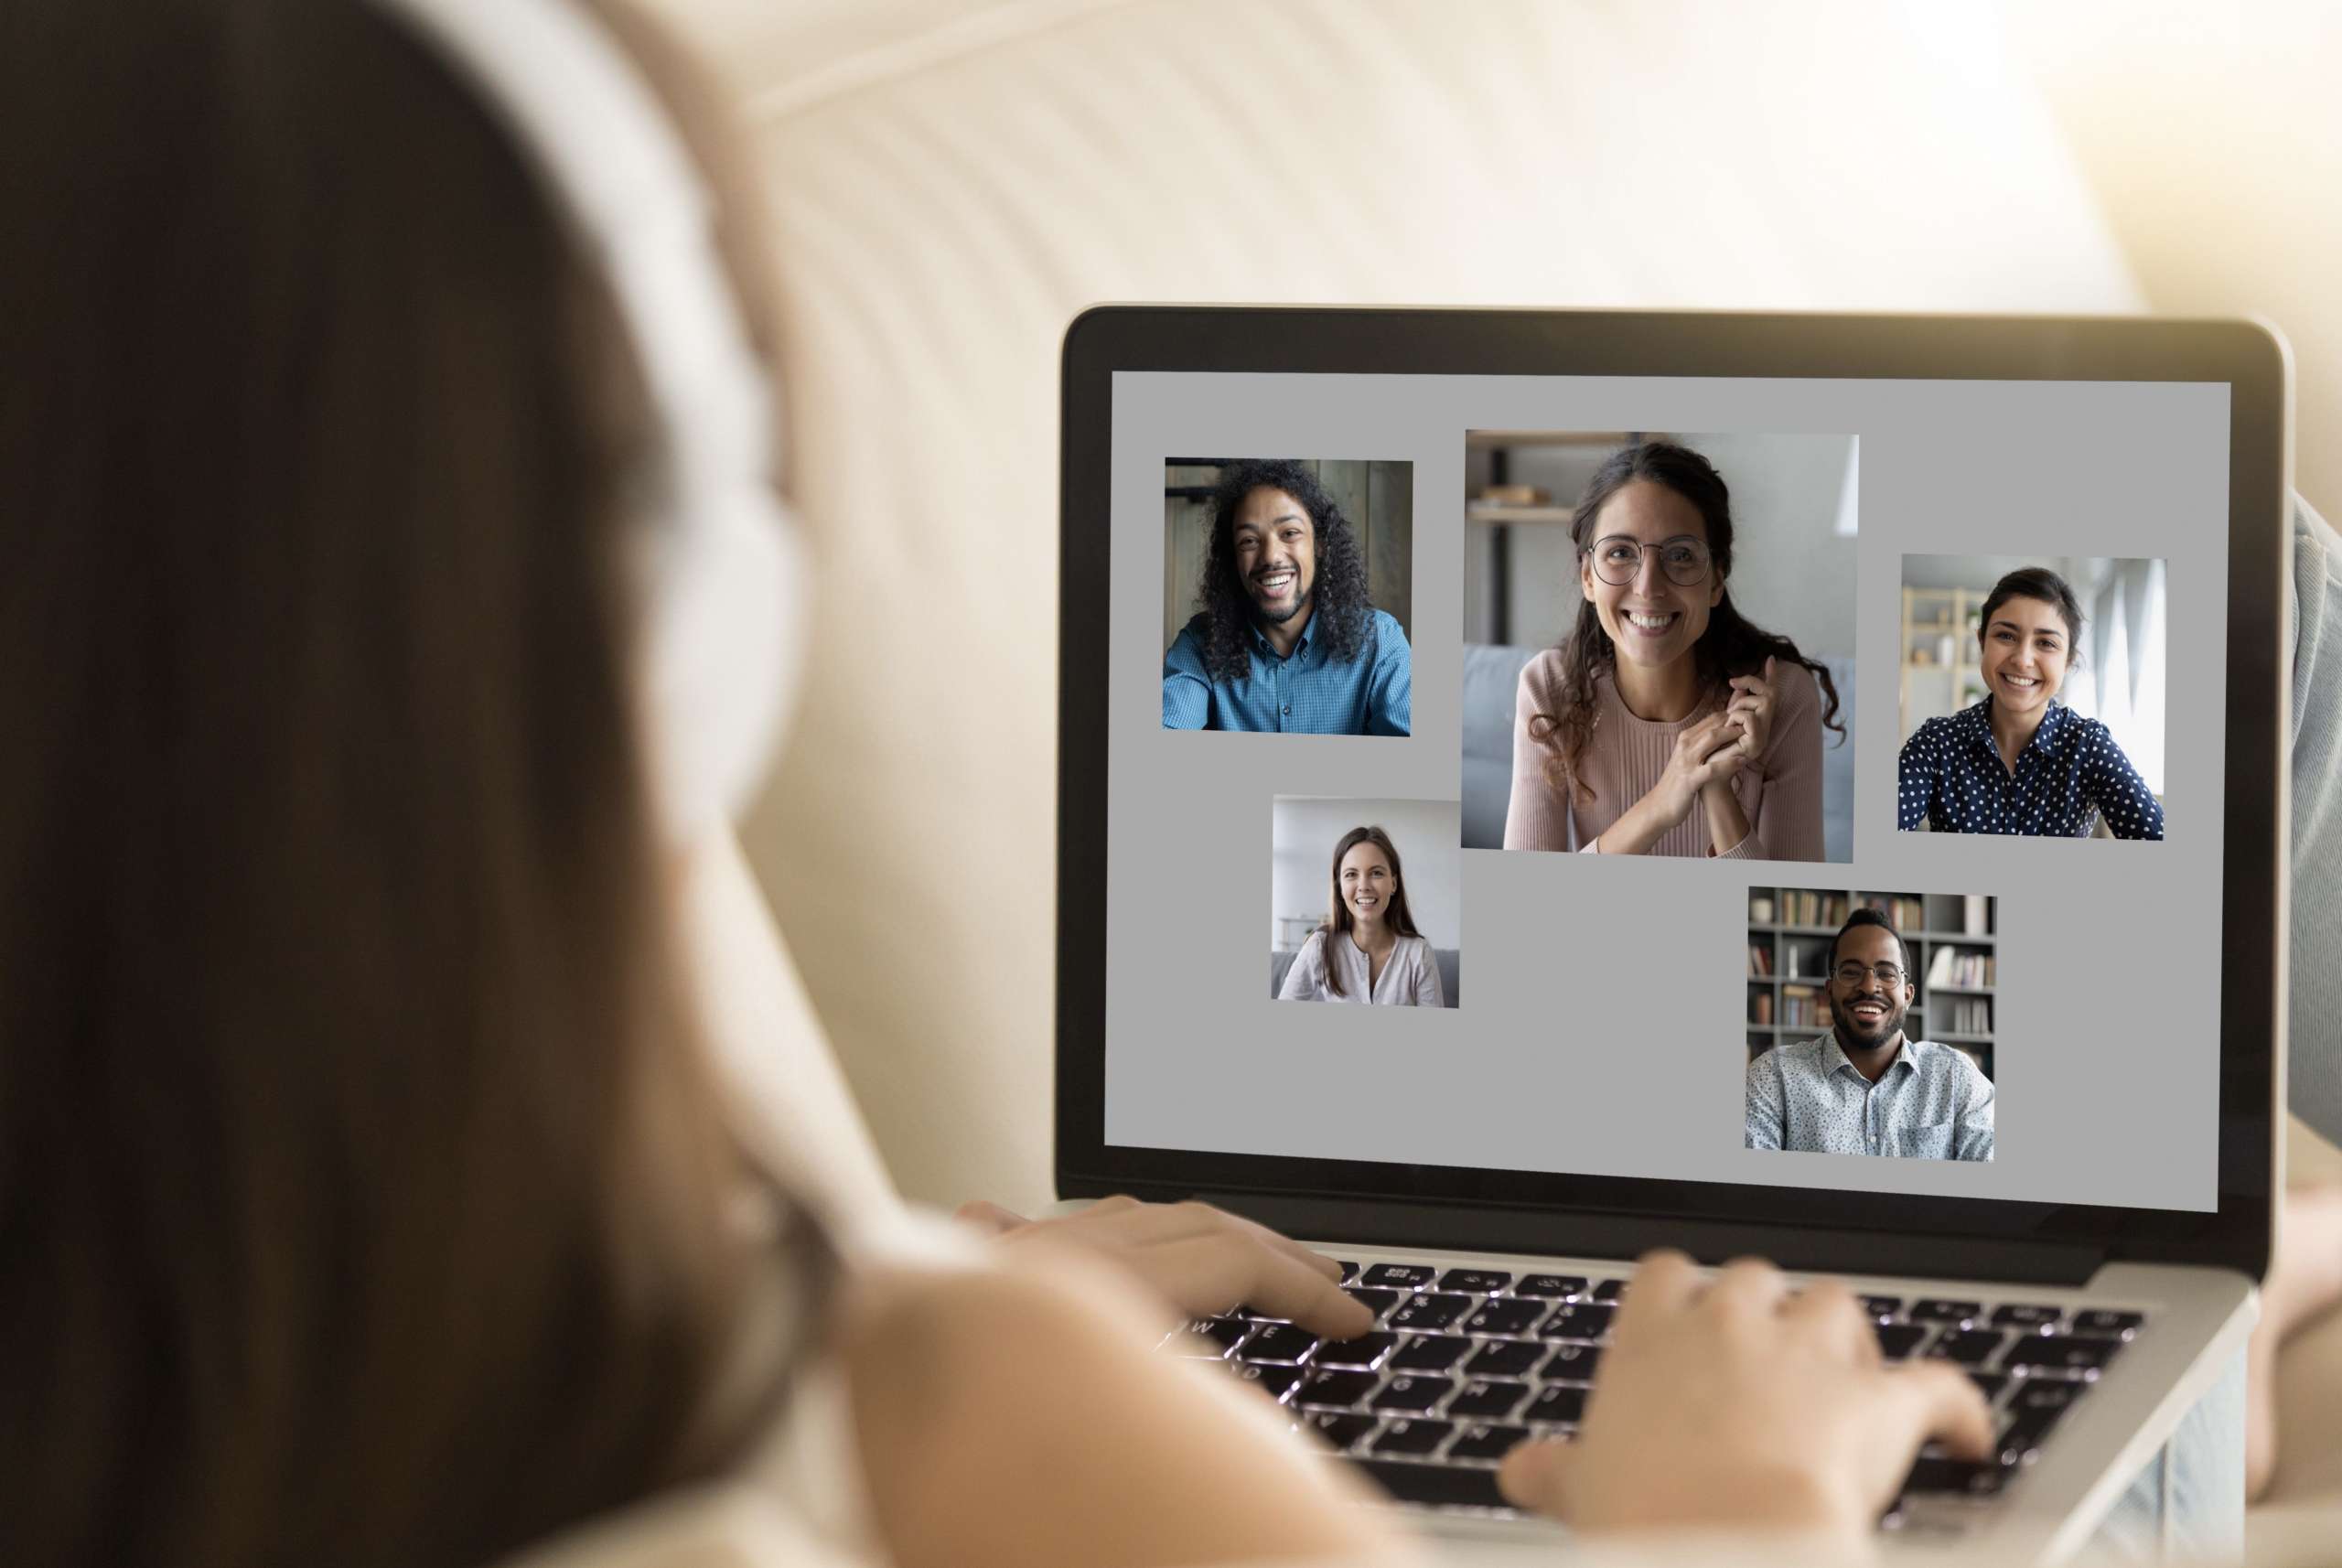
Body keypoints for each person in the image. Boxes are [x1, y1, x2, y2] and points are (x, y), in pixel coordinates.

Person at [5, 4, 2334, 1565]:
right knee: (2289, 650)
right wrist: (1715, 1519)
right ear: (681, 611)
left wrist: (917, 1255)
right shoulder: (948, 1411)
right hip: (1713, 1406)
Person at [1504, 442, 1843, 858]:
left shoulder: (1783, 697)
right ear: (1588, 577)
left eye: (1680, 555)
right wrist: (1663, 803)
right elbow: (1526, 897)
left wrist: (1717, 786)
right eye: (1620, 553)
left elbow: (1775, 905)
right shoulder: (1548, 688)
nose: (1648, 586)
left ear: (1716, 581)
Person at [1897, 566, 2165, 838]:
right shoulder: (1937, 742)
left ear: (2069, 660)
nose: (2023, 659)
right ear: (1982, 642)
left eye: (2046, 643)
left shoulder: (2089, 745)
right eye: (2006, 636)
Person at [1162, 459, 1413, 734]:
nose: (1270, 556)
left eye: (1290, 533)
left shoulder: (1380, 643)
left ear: (1320, 545)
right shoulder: (1200, 645)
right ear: (1232, 558)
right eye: (1249, 541)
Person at [1746, 909, 1995, 1161]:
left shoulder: (1957, 1077)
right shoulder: (1773, 1077)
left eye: (1886, 973)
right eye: (1851, 972)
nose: (1868, 986)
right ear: (1830, 990)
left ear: (1908, 996)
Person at [1276, 825, 1445, 1006]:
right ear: (1340, 886)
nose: (1364, 886)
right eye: (1351, 874)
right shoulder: (1320, 947)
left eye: (1376, 873)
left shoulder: (1419, 953)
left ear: (1393, 884)